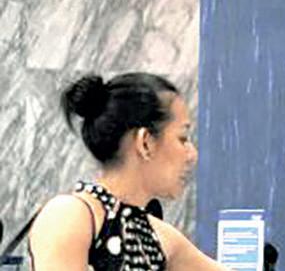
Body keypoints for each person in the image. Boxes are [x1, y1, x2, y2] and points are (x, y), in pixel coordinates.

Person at [27, 72, 225, 270]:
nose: (192, 154)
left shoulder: (159, 236)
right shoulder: (69, 215)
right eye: (182, 138)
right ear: (145, 143)